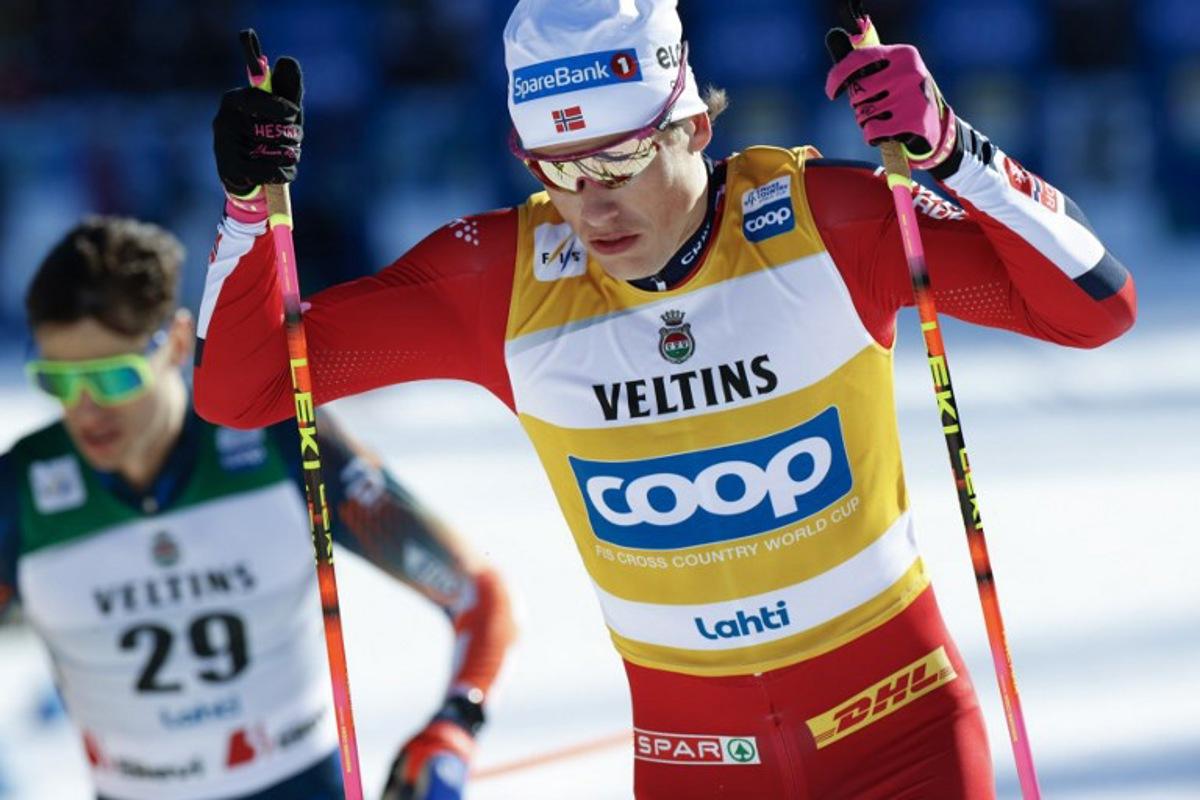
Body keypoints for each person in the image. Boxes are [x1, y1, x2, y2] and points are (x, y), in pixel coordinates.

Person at [196, 1, 1136, 797]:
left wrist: (956, 153)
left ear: (692, 124)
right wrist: (247, 210)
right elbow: (242, 390)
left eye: (618, 162)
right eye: (559, 170)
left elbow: (1097, 309)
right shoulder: (502, 282)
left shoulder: (826, 222)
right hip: (696, 765)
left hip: (899, 737)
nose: (593, 205)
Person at [0, 216, 516, 800]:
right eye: (59, 383)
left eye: (114, 379)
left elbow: (476, 593)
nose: (86, 409)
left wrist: (455, 726)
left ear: (176, 343)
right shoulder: (21, 491)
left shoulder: (277, 439)